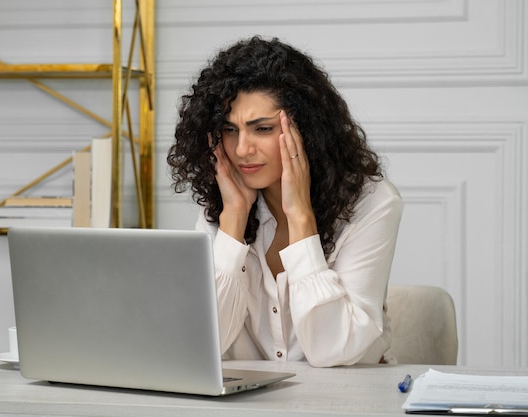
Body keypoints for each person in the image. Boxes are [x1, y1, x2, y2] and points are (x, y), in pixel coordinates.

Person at [167, 36, 403, 367]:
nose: (241, 149)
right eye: (230, 130)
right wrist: (233, 220)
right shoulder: (224, 206)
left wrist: (301, 220)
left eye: (261, 129)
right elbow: (203, 345)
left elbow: (334, 350)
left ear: (306, 130)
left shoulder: (372, 204)